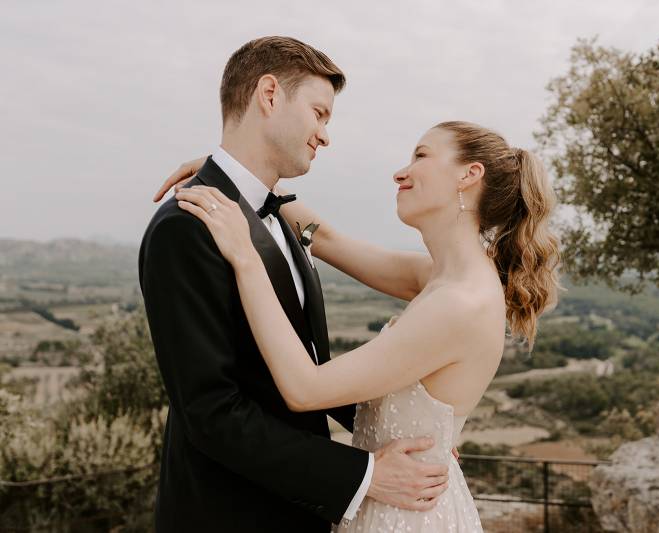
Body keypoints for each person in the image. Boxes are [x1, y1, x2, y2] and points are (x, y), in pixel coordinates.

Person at [157, 118, 563, 531]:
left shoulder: (459, 302)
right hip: (393, 499)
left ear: (469, 174)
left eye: (421, 156)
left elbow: (305, 388)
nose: (400, 172)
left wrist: (245, 256)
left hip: (407, 513)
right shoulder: (442, 276)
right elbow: (326, 239)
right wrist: (235, 177)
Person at [139, 36, 453, 533]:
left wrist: (411, 425)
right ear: (269, 95)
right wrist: (364, 474)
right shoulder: (187, 226)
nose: (324, 136)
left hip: (295, 512)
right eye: (319, 113)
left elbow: (305, 363)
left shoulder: (279, 216)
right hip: (229, 516)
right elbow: (211, 413)